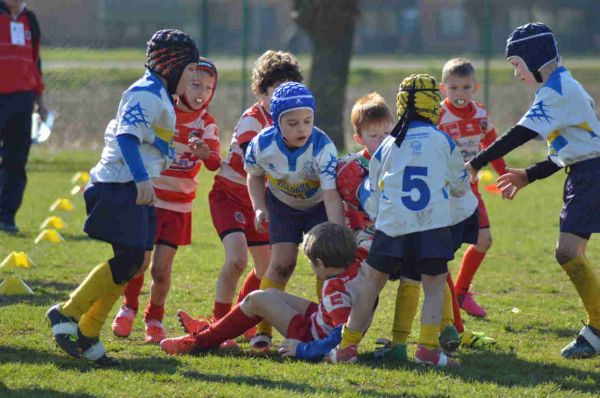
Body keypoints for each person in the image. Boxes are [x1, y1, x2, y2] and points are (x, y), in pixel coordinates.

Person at [46, 29, 199, 365]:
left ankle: (87, 332)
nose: (193, 78)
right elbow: (128, 138)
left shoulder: (159, 93)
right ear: (173, 65)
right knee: (131, 259)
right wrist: (143, 179)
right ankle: (67, 314)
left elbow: (143, 136)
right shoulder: (145, 92)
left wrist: (165, 149)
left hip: (134, 185)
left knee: (136, 262)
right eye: (190, 70)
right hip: (119, 185)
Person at [466, 22, 600, 359]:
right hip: (584, 175)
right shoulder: (557, 88)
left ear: (534, 59)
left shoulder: (557, 91)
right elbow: (568, 150)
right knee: (569, 252)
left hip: (592, 176)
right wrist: (529, 174)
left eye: (516, 65)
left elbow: (519, 133)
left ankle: (598, 329)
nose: (516, 75)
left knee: (568, 252)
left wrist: (476, 162)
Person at [329, 74, 471, 367]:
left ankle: (347, 347)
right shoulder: (442, 139)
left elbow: (373, 185)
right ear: (432, 102)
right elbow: (459, 185)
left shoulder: (389, 144)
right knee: (433, 286)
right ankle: (427, 350)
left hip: (392, 225)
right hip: (432, 224)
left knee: (371, 284)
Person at [176, 51, 304, 347]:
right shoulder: (253, 120)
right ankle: (218, 327)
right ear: (261, 91)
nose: (281, 99)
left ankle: (239, 320)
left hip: (258, 204)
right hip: (229, 196)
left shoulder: (290, 121)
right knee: (236, 260)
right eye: (275, 92)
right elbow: (256, 161)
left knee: (266, 269)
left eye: (288, 92)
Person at [111, 58, 220, 344]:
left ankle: (154, 318)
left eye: (209, 88)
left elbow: (215, 163)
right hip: (150, 201)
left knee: (162, 270)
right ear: (181, 83)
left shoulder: (206, 124)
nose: (201, 92)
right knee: (139, 263)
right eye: (196, 84)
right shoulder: (164, 112)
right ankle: (128, 308)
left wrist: (206, 153)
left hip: (179, 208)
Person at [160, 222, 363, 361]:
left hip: (311, 336)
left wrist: (303, 349)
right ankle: (212, 330)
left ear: (319, 263)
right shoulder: (354, 270)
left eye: (311, 262)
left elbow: (342, 334)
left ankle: (198, 342)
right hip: (319, 320)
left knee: (256, 299)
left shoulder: (336, 292)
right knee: (271, 294)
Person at [245, 81, 345, 352]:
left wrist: (338, 231)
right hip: (282, 206)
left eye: (307, 120)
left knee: (327, 266)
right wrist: (258, 206)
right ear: (277, 123)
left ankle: (327, 327)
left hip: (318, 206)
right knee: (280, 265)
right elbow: (254, 175)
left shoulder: (323, 147)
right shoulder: (261, 144)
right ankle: (262, 331)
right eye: (292, 123)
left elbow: (332, 193)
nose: (301, 128)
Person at [437, 58, 508, 318]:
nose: (460, 93)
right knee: (441, 249)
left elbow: (494, 146)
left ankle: (461, 293)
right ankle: (443, 305)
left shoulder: (480, 114)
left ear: (475, 88)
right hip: (442, 192)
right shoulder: (438, 116)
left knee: (484, 240)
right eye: (454, 88)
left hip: (471, 190)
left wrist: (504, 175)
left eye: (466, 87)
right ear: (444, 89)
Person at [0, 0, 47, 234]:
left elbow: (35, 62)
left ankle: (6, 216)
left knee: (16, 159)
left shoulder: (31, 19)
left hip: (22, 99)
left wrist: (40, 102)